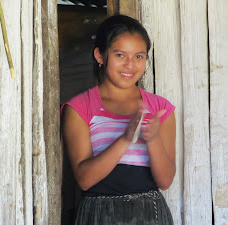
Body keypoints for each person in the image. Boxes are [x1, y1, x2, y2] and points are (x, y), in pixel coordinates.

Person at [61, 14, 176, 225]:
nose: (130, 65)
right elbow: (85, 180)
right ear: (100, 55)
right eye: (120, 55)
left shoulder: (160, 108)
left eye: (139, 56)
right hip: (97, 215)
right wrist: (125, 139)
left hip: (150, 214)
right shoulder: (79, 107)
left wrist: (153, 140)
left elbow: (165, 180)